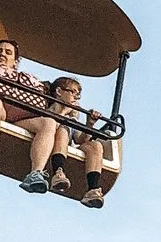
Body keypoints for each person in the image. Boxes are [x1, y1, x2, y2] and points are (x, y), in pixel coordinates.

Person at [0, 41, 73, 193]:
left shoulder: (30, 80)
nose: (2, 54)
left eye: (7, 52)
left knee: (48, 123)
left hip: (20, 118)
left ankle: (36, 173)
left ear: (16, 62)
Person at [47, 76, 118, 209]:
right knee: (63, 130)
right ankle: (58, 172)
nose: (76, 97)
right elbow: (49, 126)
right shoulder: (51, 109)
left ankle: (93, 188)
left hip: (69, 143)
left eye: (78, 95)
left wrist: (89, 124)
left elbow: (80, 139)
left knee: (95, 145)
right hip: (55, 139)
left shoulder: (73, 116)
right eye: (72, 92)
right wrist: (65, 110)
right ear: (59, 91)